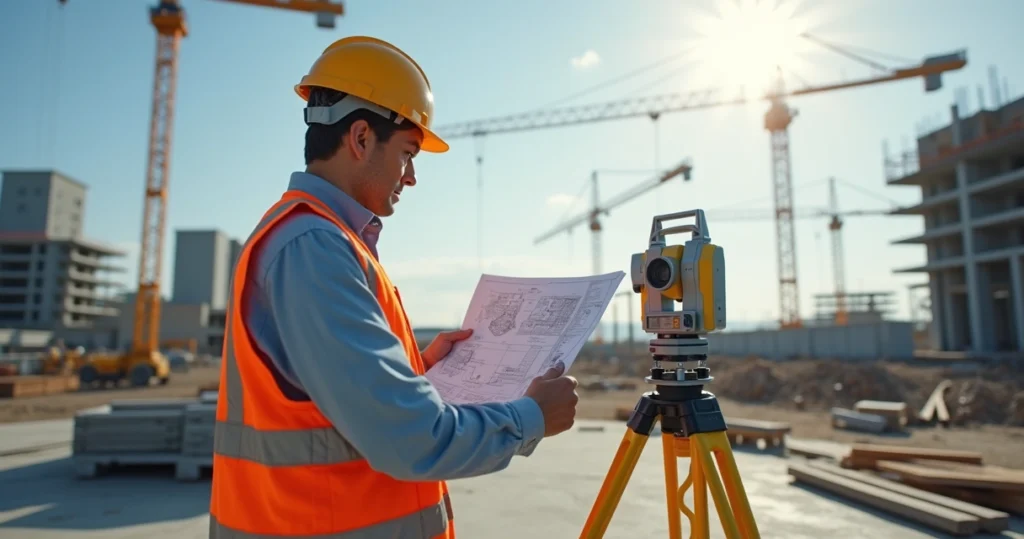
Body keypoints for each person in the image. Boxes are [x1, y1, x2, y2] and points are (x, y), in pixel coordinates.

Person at [208, 36, 580, 538]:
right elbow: (412, 442)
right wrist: (530, 417)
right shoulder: (313, 246)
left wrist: (419, 369)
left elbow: (321, 394)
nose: (412, 177)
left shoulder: (323, 239)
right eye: (408, 153)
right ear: (361, 139)